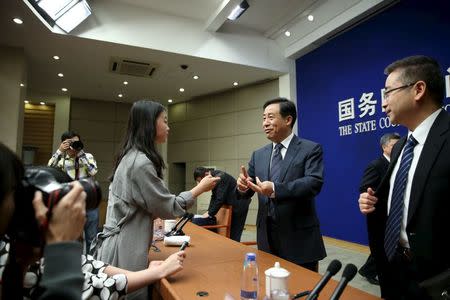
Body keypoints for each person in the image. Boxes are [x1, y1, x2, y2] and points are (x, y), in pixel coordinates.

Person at [0, 142, 187, 300]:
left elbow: (86, 266)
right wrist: (62, 245)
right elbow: (88, 290)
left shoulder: (16, 244)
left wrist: (148, 273)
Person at [92, 100, 220, 299]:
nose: (168, 127)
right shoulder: (140, 163)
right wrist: (199, 189)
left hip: (122, 243)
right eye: (165, 121)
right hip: (124, 248)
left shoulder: (131, 156)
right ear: (149, 124)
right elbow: (169, 207)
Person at [358, 55, 450, 299]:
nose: (383, 103)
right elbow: (402, 196)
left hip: (438, 280)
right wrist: (373, 203)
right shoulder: (401, 147)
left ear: (418, 89)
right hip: (394, 267)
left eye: (388, 93)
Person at [237, 97, 326, 271]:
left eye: (270, 117)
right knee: (270, 288)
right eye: (263, 118)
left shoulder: (310, 149)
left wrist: (276, 189)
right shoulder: (258, 154)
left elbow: (313, 183)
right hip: (266, 237)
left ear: (288, 119)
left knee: (303, 289)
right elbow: (249, 188)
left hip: (299, 237)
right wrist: (242, 186)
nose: (265, 123)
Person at [0, 141, 86, 300]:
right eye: (14, 190)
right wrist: (62, 244)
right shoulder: (60, 156)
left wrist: (19, 264)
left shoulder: (85, 158)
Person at [358, 132, 400, 285]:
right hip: (379, 216)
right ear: (384, 147)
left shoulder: (400, 163)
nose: (397, 148)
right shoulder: (376, 165)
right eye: (393, 145)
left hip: (395, 216)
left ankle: (369, 270)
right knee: (380, 249)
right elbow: (365, 188)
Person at [48, 130, 99, 253]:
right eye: (70, 143)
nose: (74, 145)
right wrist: (59, 151)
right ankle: (76, 264)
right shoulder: (61, 160)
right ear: (64, 143)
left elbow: (93, 172)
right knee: (73, 237)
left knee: (92, 237)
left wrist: (81, 154)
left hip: (89, 200)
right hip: (72, 202)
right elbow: (49, 170)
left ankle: (92, 264)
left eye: (76, 142)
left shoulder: (88, 157)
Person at [192, 167, 251, 241]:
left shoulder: (220, 177)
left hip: (240, 203)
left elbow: (220, 199)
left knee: (234, 233)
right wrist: (208, 211)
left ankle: (233, 250)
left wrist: (210, 214)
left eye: (200, 181)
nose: (201, 184)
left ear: (206, 174)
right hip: (232, 203)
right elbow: (214, 196)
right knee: (228, 233)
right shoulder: (213, 177)